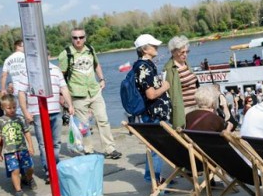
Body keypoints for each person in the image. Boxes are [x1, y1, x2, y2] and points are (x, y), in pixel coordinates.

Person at [58, 28, 121, 159]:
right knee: (84, 125)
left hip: (94, 91)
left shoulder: (90, 50)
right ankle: (88, 150)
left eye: (81, 37)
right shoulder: (66, 54)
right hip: (77, 94)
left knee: (103, 120)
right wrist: (62, 95)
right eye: (75, 38)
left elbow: (96, 65)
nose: (78, 40)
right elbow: (61, 76)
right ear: (72, 39)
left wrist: (102, 79)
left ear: (85, 38)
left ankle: (110, 149)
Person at [18, 54, 74, 184]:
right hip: (37, 112)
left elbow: (63, 88)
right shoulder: (28, 71)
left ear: (48, 56)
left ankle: (55, 165)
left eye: (45, 55)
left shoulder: (55, 70)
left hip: (55, 110)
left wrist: (69, 104)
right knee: (43, 143)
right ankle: (49, 170)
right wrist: (25, 111)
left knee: (56, 142)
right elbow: (21, 92)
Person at [133, 34, 171, 183]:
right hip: (153, 113)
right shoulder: (144, 67)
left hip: (154, 112)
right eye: (153, 46)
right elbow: (150, 94)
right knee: (157, 147)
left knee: (155, 147)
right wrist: (165, 86)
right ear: (144, 49)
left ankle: (154, 176)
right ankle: (155, 179)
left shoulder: (147, 65)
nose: (157, 48)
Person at [0, 95, 36, 196]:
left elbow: (27, 132)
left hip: (22, 149)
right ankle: (18, 190)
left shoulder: (20, 118)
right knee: (15, 170)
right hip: (9, 152)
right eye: (9, 108)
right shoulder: (0, 121)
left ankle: (29, 178)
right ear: (2, 107)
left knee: (30, 167)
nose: (12, 110)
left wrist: (31, 146)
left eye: (14, 107)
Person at [165, 36, 197, 124]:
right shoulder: (170, 69)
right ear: (173, 52)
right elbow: (172, 94)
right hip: (185, 110)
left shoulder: (186, 64)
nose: (185, 54)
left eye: (187, 52)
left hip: (196, 105)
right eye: (182, 52)